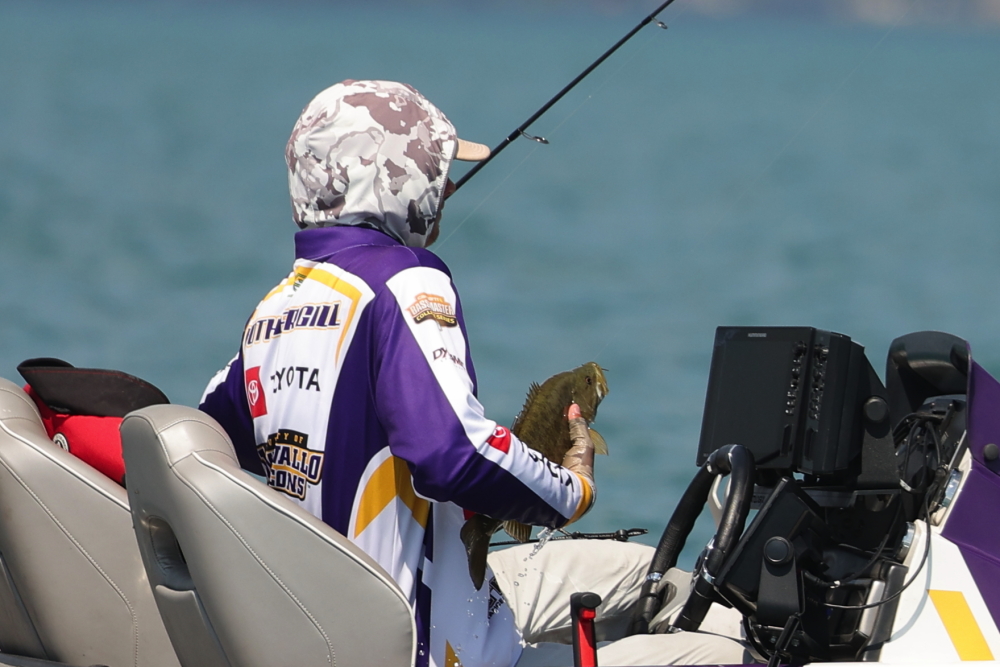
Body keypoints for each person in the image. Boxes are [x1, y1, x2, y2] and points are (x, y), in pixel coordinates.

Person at [199, 79, 749, 667]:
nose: (449, 188)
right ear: (389, 178)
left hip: (339, 629)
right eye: (432, 171)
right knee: (728, 654)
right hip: (428, 646)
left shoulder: (270, 314)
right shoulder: (406, 280)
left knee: (647, 577)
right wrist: (571, 490)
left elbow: (213, 442)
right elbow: (449, 454)